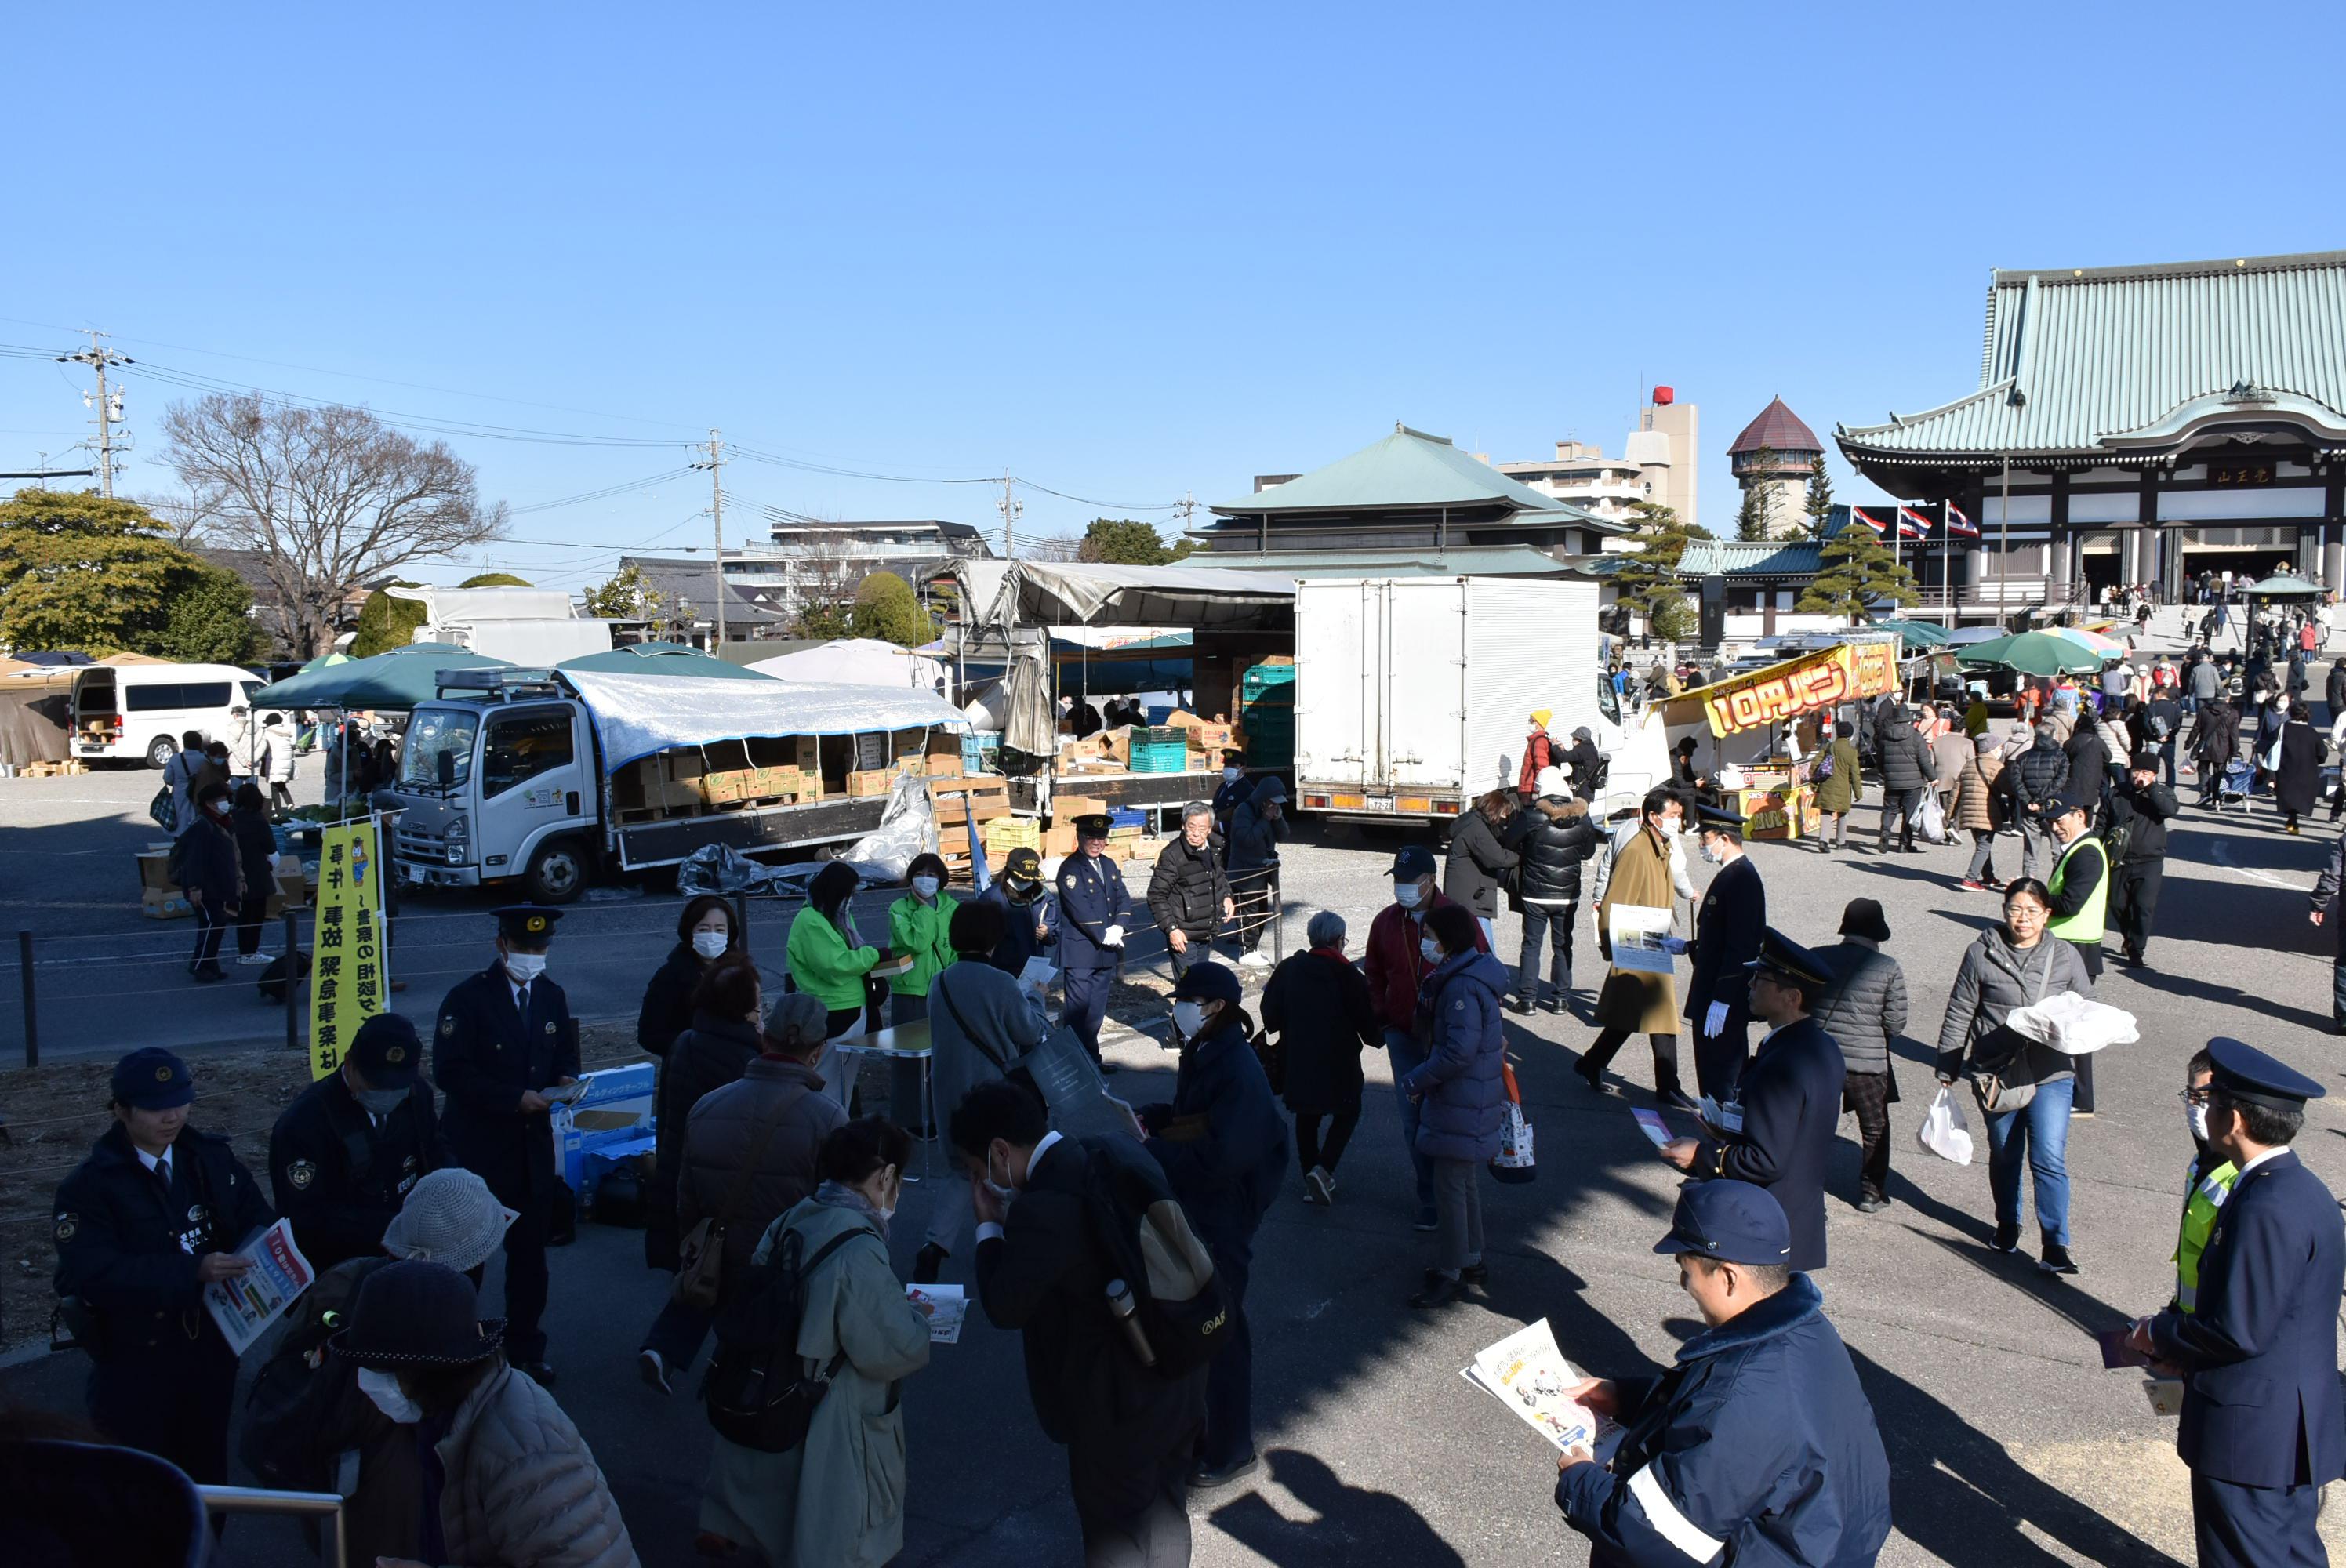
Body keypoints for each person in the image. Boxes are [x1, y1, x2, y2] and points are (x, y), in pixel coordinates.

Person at [1552, 1181, 1891, 1567]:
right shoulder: (1806, 1329)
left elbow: (1654, 1533)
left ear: (1729, 1278)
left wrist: (1579, 1479)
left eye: (1687, 1272)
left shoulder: (1741, 1392)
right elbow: (1732, 1423)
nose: (1684, 1286)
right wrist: (1628, 1398)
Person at [953, 1080, 1207, 1566]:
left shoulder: (1043, 1209)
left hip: (1116, 1404)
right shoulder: (1109, 1151)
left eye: (976, 1168)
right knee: (1168, 1508)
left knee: (1117, 1533)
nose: (981, 1180)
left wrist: (988, 1226)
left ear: (1000, 1151)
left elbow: (1005, 1305)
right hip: (1180, 1369)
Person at [2129, 1040, 2343, 1568]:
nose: (2204, 1113)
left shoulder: (2263, 1205)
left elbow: (2238, 1330)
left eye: (2213, 1103)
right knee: (2292, 1554)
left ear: (2238, 1120)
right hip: (2289, 1427)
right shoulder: (2303, 1189)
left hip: (2250, 1434)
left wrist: (2158, 1334)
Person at [248, 1167, 514, 1568]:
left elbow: (286, 1348)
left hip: (328, 1471)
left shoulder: (349, 1275)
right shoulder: (444, 1333)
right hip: (403, 1506)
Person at [699, 1118, 929, 1567]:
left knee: (775, 1503)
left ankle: (734, 1531)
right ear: (885, 1177)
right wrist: (919, 1323)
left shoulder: (792, 1217)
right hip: (826, 1407)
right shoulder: (858, 1247)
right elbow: (892, 1349)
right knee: (824, 1522)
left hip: (770, 1385)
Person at [51, 1047, 274, 1486]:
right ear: (121, 1110)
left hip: (211, 1350)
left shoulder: (207, 1159)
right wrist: (192, 1270)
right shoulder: (89, 1187)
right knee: (135, 1483)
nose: (172, 1117)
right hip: (135, 1359)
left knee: (206, 1474)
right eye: (156, 1108)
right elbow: (94, 1275)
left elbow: (256, 1216)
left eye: (180, 1102)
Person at [329, 1260, 639, 1568]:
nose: (367, 1380)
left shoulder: (523, 1453)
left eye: (382, 1370)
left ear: (431, 1371)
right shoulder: (438, 1412)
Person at [1139, 960, 1287, 1487]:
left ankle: (1231, 1447)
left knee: (1220, 1328)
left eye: (1187, 1001)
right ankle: (1203, 1433)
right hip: (1204, 1207)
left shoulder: (1236, 1065)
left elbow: (1224, 1154)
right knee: (1204, 1326)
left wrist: (1156, 1150)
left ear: (1216, 1007)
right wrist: (1156, 1118)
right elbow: (1195, 1116)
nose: (1178, 1009)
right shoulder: (1205, 1050)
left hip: (1225, 1211)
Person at [432, 904, 579, 1383]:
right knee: (466, 1256)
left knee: (530, 1259)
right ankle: (454, 1344)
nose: (533, 956)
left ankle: (525, 1348)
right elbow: (449, 1073)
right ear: (501, 945)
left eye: (541, 948)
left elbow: (565, 1052)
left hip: (530, 1150)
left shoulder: (552, 996)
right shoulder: (468, 999)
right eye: (524, 947)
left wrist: (566, 1081)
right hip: (479, 1147)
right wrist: (514, 1098)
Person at [1659, 931, 1845, 1272]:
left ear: (1792, 997)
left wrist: (1700, 1155)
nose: (1750, 984)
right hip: (1796, 1215)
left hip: (1763, 1226)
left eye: (1761, 978)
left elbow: (1765, 1160)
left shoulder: (1783, 1062)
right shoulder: (1821, 1046)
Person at [1935, 879, 2094, 1272]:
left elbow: (2084, 1007)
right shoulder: (1980, 953)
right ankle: (2007, 1223)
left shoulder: (2065, 955)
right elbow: (1961, 1009)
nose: (2022, 919)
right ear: (2004, 910)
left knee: (2048, 1158)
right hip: (1997, 1071)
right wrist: (1948, 1065)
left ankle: (2055, 1243)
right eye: (2015, 910)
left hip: (2050, 1071)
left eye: (2031, 912)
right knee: (2006, 1154)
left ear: (2047, 915)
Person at [637, 954, 770, 1388]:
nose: (761, 1008)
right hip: (728, 1180)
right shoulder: (743, 1057)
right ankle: (732, 1371)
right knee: (731, 1274)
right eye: (757, 1001)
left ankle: (665, 1348)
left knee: (707, 1268)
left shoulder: (687, 1041)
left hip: (681, 1170)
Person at [913, 899, 1044, 1284]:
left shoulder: (941, 981)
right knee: (1013, 1171)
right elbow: (1029, 1033)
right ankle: (1021, 1246)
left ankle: (933, 1247)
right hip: (995, 1095)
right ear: (995, 939)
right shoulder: (1001, 982)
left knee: (961, 1170)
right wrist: (1035, 995)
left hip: (950, 1093)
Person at [1364, 844, 1487, 1231]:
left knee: (1451, 1119)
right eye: (1396, 880)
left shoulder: (1457, 918)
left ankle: (1458, 1201)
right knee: (1413, 1120)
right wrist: (1382, 1016)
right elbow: (1374, 974)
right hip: (1404, 1035)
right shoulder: (1386, 922)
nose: (1400, 888)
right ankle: (1430, 1198)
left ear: (1430, 881)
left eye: (1408, 881)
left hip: (1448, 1037)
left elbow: (1482, 969)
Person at [270, 1012, 443, 1271]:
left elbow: (435, 1150)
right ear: (349, 1064)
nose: (387, 1094)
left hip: (409, 1254)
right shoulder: (305, 1123)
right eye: (375, 1084)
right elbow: (306, 1217)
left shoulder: (416, 1095)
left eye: (397, 1085)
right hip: (343, 1267)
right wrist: (395, 1226)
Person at [1401, 903, 1510, 1309]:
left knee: (1450, 1189)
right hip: (1474, 1097)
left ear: (1446, 941)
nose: (1425, 941)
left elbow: (1457, 1053)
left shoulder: (1460, 985)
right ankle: (1471, 1258)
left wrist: (1416, 1079)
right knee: (1463, 1184)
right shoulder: (1475, 972)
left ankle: (1451, 1271)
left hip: (1460, 1099)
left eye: (1430, 935)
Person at [1582, 789, 1694, 1109]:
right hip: (1638, 942)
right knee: (1661, 1015)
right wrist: (1611, 944)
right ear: (1653, 817)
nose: (1678, 821)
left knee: (1631, 1013)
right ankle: (1668, 1086)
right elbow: (1614, 902)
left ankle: (1592, 1062)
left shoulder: (1660, 846)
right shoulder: (1638, 851)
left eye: (1679, 815)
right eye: (1673, 816)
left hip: (1651, 939)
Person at [1261, 910, 1378, 1208]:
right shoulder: (1349, 976)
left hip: (1297, 1059)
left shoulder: (1289, 969)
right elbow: (1370, 1028)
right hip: (1340, 1062)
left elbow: (1269, 1017)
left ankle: (1310, 1174)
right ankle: (1323, 1169)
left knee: (1306, 1115)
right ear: (1339, 941)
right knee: (1348, 1111)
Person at [1810, 899, 1908, 1214]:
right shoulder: (1888, 968)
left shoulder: (1818, 956)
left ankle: (1804, 1179)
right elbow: (1896, 1024)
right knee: (1874, 1128)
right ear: (1878, 934)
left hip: (1819, 1058)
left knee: (1811, 1124)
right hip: (1866, 1065)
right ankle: (1870, 1192)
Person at [788, 861, 888, 1106]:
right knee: (828, 1081)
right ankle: (825, 1130)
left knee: (842, 1080)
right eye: (849, 893)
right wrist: (875, 956)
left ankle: (836, 1125)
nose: (852, 899)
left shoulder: (836, 915)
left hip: (852, 1007)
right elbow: (835, 965)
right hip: (832, 1011)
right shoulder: (811, 920)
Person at [1682, 806, 1764, 1102]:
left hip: (1721, 994)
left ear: (1725, 839)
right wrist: (1687, 947)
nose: (1702, 845)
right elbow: (1718, 936)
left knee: (1722, 1072)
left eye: (1706, 838)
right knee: (1710, 1068)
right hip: (1712, 987)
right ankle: (1716, 1126)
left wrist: (1725, 996)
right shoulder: (1731, 874)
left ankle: (1723, 1138)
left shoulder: (1741, 879)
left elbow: (1742, 944)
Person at [1501, 766, 1599, 1014]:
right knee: (1563, 944)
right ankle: (1561, 999)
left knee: (1531, 944)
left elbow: (1507, 843)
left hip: (1534, 891)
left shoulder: (1532, 815)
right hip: (1567, 894)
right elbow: (1588, 852)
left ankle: (1527, 1000)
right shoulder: (1583, 817)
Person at [2165, 1046, 2236, 1317]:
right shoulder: (2199, 1162)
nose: (2194, 1106)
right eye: (2190, 1095)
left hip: (2211, 1324)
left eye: (2202, 1097)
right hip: (2187, 1312)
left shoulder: (2238, 1175)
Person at [1057, 815, 1131, 1067]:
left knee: (1095, 1012)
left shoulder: (1109, 865)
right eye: (1090, 837)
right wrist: (1104, 934)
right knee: (1078, 1013)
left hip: (1105, 951)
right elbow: (1080, 908)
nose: (1096, 843)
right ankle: (1075, 1064)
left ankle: (1092, 1061)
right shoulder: (1070, 869)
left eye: (1101, 838)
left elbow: (1123, 897)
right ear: (1079, 838)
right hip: (1081, 952)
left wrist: (1119, 926)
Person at [637, 895, 738, 1064]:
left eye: (720, 930)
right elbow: (649, 1035)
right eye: (704, 929)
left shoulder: (740, 972)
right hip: (687, 1072)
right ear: (689, 931)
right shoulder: (670, 976)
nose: (712, 936)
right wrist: (696, 1046)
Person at [2108, 750, 2179, 967]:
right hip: (2120, 860)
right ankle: (2129, 936)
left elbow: (2170, 810)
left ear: (2154, 774)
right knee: (2117, 904)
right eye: (2137, 771)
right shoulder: (2116, 793)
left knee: (2143, 907)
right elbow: (2103, 821)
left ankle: (2136, 949)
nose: (2140, 775)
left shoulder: (2164, 793)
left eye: (2146, 772)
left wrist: (2150, 788)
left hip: (2149, 861)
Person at [1147, 800, 1233, 978]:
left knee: (1201, 988)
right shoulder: (1172, 855)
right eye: (1191, 827)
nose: (1196, 833)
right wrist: (1172, 930)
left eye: (1202, 828)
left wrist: (1226, 896)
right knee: (1189, 991)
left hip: (1207, 931)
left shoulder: (1215, 847)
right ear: (1183, 826)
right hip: (1184, 935)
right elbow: (1156, 895)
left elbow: (1218, 876)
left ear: (1210, 829)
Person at [178, 781, 240, 983]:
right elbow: (194, 859)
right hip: (203, 886)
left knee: (214, 923)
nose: (226, 804)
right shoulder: (203, 826)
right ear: (210, 803)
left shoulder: (220, 822)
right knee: (214, 922)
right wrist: (194, 887)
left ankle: (211, 964)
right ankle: (200, 964)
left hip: (214, 885)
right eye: (222, 800)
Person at [1443, 788, 1519, 951]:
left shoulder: (1470, 821)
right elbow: (1497, 858)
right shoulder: (1476, 829)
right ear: (1495, 809)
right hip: (1472, 899)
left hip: (1464, 894)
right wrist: (1521, 857)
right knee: (1484, 950)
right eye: (1503, 813)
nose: (1504, 818)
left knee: (1466, 948)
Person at [1224, 778, 1289, 968]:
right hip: (1245, 872)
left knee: (1261, 913)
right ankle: (1246, 950)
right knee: (1248, 913)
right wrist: (1265, 820)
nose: (1274, 806)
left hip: (1262, 872)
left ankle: (1253, 947)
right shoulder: (1244, 811)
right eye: (1272, 802)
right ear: (1263, 798)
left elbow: (1284, 836)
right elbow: (1246, 839)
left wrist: (1277, 819)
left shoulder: (1269, 812)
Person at [978, 844, 1059, 977]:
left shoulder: (1043, 895)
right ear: (1009, 872)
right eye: (1021, 879)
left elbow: (1054, 928)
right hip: (1001, 970)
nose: (1026, 883)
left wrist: (1047, 932)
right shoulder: (991, 898)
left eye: (1030, 879)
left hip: (1033, 969)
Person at [2007, 721, 2072, 880]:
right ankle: (2057, 884)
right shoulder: (2060, 756)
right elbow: (2060, 781)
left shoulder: (2022, 757)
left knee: (2030, 850)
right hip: (2053, 808)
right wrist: (2040, 799)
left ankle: (2029, 883)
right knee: (2058, 849)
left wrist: (2029, 800)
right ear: (2053, 735)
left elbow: (2016, 782)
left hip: (2029, 809)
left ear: (2036, 737)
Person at [226, 781, 279, 966]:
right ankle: (250, 952)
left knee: (243, 915)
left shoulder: (231, 818)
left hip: (236, 871)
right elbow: (270, 846)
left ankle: (244, 951)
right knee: (256, 915)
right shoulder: (258, 821)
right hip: (256, 871)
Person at [1951, 732, 2007, 892]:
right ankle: (1970, 879)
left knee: (1983, 844)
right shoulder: (1995, 766)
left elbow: (1956, 790)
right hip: (1987, 812)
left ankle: (1988, 877)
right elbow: (2008, 788)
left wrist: (1949, 815)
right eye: (1999, 747)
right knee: (1984, 845)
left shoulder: (1969, 764)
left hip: (1969, 812)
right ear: (1993, 749)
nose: (2000, 750)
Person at [1874, 704, 1934, 853]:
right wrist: (1933, 777)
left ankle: (1885, 831)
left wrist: (1885, 774)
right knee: (1910, 812)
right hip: (1913, 782)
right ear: (1908, 718)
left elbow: (1879, 760)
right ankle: (1904, 844)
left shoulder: (1885, 735)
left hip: (1891, 781)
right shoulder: (1915, 736)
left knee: (1890, 809)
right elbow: (1924, 760)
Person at [2272, 694, 2324, 834]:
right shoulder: (2312, 732)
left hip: (2286, 769)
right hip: (2307, 770)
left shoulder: (2283, 729)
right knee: (2300, 797)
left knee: (2288, 795)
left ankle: (2292, 820)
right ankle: (2292, 821)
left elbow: (2270, 747)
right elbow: (2322, 753)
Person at [1810, 720, 1862, 854]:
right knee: (1843, 814)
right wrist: (1858, 793)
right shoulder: (1851, 752)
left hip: (1827, 784)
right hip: (1843, 788)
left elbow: (1815, 763)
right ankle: (1840, 842)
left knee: (1826, 814)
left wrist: (1813, 781)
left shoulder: (1829, 747)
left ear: (1837, 733)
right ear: (1850, 735)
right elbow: (1855, 774)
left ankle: (1823, 841)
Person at [2188, 689, 2240, 808]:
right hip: (2223, 748)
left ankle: (2204, 793)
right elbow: (2234, 734)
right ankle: (2217, 798)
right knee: (2219, 773)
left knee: (2203, 769)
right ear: (2228, 698)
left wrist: (2189, 743)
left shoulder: (2204, 710)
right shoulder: (2232, 713)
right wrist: (2235, 751)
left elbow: (2196, 729)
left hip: (2205, 746)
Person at [162, 728, 208, 837]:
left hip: (179, 794)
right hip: (200, 794)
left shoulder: (175, 758)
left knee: (180, 824)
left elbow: (167, 778)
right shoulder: (204, 759)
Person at [259, 710, 299, 811]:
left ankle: (279, 811)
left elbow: (264, 747)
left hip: (274, 762)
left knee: (275, 787)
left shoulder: (268, 732)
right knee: (281, 785)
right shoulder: (285, 732)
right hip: (285, 763)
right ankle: (290, 805)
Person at [1516, 709, 1556, 801]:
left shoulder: (1539, 741)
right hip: (1528, 787)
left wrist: (1536, 791)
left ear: (1539, 724)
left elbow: (1542, 768)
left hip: (1530, 788)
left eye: (1531, 721)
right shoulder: (1536, 740)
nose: (1529, 723)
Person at [1559, 724, 1604, 800]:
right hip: (1587, 789)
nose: (1572, 740)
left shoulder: (1581, 748)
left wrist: (1555, 747)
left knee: (1580, 810)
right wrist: (1563, 750)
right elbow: (1574, 761)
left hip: (1582, 790)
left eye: (1574, 738)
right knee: (1582, 810)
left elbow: (1563, 757)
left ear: (1579, 739)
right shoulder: (1590, 747)